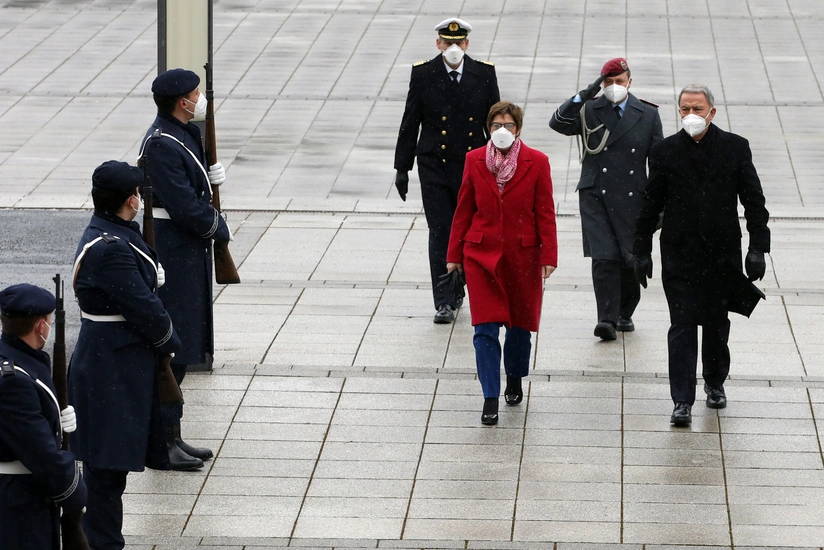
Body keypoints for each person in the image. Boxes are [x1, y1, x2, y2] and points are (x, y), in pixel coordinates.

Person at [633, 84, 770, 427]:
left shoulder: (735, 148)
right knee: (681, 325)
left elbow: (754, 201)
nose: (690, 115)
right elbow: (650, 204)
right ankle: (681, 400)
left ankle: (714, 380)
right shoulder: (664, 152)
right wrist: (641, 250)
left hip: (721, 252)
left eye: (697, 108)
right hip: (679, 253)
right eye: (684, 109)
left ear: (712, 110)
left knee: (715, 322)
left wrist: (757, 248)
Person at [69, 160, 183, 549]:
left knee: (112, 469)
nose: (140, 200)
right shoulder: (111, 249)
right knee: (106, 471)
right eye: (137, 194)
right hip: (109, 367)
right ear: (129, 199)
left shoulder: (114, 233)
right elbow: (146, 310)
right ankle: (103, 543)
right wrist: (170, 343)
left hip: (114, 362)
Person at [138, 68, 231, 468]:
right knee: (171, 348)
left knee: (183, 343)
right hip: (171, 249)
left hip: (186, 251)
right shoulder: (161, 143)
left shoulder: (183, 134)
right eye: (196, 94)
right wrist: (218, 226)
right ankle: (162, 443)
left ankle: (172, 435)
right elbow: (182, 206)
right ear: (182, 102)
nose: (201, 100)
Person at [446, 101, 557, 425]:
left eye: (508, 125)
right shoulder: (474, 160)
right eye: (496, 125)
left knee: (520, 329)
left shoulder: (537, 162)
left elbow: (545, 212)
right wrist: (454, 255)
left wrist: (549, 254)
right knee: (485, 329)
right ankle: (490, 396)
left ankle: (514, 376)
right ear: (488, 128)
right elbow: (464, 209)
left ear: (518, 128)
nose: (502, 131)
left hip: (523, 256)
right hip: (481, 256)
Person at [394, 17, 501, 324]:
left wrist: (501, 163)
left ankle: (462, 286)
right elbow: (410, 120)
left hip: (472, 165)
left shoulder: (484, 72)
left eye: (459, 43)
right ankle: (444, 299)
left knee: (469, 231)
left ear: (467, 44)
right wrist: (403, 167)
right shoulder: (424, 73)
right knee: (440, 231)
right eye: (447, 42)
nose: (454, 48)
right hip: (434, 165)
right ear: (438, 43)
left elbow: (494, 122)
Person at [549, 58, 663, 340]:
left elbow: (659, 163)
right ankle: (606, 319)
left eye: (619, 82)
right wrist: (583, 95)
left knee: (628, 257)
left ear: (630, 82)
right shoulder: (589, 108)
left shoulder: (647, 114)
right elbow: (558, 123)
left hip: (632, 196)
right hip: (596, 194)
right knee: (604, 258)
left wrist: (659, 203)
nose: (614, 87)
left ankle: (625, 312)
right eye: (608, 82)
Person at [0, 283, 87, 549]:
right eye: (48, 321)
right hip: (18, 500)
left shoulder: (16, 359)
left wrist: (55, 421)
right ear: (41, 327)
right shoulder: (14, 380)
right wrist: (75, 489)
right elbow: (40, 453)